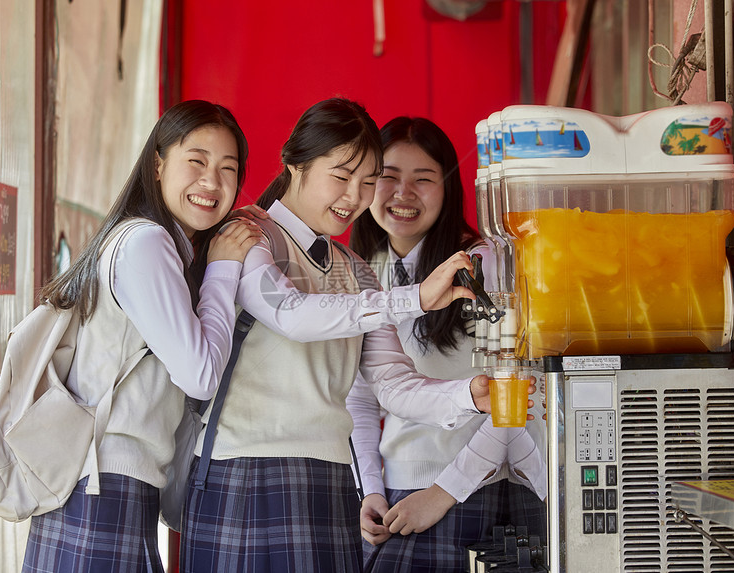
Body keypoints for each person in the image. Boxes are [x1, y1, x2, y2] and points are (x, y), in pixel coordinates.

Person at [180, 98, 534, 572]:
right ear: (295, 165)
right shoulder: (249, 235)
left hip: (330, 481)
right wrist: (414, 298)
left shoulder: (357, 271)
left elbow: (392, 384)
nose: (355, 196)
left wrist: (469, 395)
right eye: (342, 176)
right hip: (247, 471)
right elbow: (291, 314)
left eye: (368, 181)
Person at [21, 100, 262, 572]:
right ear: (158, 162)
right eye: (196, 161)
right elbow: (200, 375)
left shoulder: (146, 241)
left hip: (101, 483)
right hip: (103, 484)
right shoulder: (146, 243)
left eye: (228, 168)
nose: (212, 182)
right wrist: (224, 270)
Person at [347, 116, 547, 571]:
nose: (403, 194)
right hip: (397, 492)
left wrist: (442, 494)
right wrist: (371, 490)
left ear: (449, 188)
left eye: (423, 179)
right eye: (389, 177)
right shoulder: (365, 271)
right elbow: (359, 398)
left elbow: (518, 394)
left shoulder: (483, 266)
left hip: (474, 488)